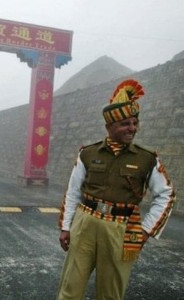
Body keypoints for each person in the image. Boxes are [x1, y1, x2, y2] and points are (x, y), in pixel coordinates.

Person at [56, 79, 176, 300]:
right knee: (70, 288)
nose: (132, 128)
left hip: (122, 229)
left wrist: (146, 230)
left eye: (134, 123)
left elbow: (166, 194)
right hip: (85, 223)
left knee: (111, 293)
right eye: (124, 124)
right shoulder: (88, 153)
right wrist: (66, 226)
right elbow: (73, 191)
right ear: (109, 127)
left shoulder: (146, 158)